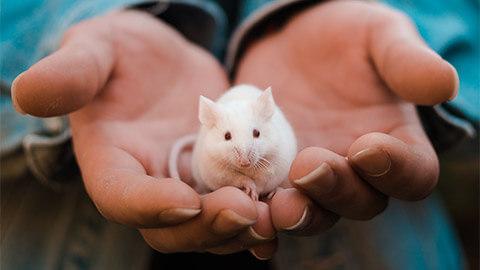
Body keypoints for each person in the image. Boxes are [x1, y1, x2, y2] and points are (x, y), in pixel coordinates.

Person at [1, 0, 476, 269]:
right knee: (221, 184)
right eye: (229, 140)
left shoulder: (271, 126)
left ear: (266, 118)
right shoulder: (213, 137)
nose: (245, 151)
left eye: (252, 135)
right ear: (211, 125)